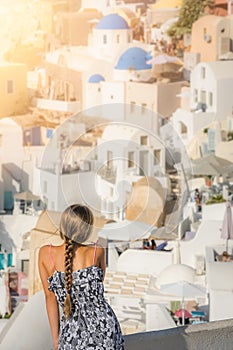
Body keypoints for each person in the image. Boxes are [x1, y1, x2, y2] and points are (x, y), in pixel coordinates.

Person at [38, 204, 124, 350]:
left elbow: (50, 298)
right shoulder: (98, 251)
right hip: (104, 329)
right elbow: (98, 284)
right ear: (86, 229)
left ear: (63, 226)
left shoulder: (46, 254)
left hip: (72, 332)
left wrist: (56, 340)